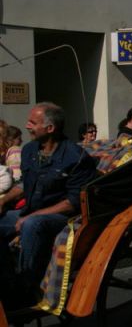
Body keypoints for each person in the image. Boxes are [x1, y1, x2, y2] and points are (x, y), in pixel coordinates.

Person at [0, 102, 96, 306]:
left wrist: (32, 216)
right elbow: (25, 184)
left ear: (50, 128)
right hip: (30, 211)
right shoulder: (29, 150)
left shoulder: (76, 157)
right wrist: (3, 201)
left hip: (61, 217)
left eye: (32, 122)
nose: (27, 126)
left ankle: (26, 286)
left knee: (31, 225)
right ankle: (5, 277)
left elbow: (72, 203)